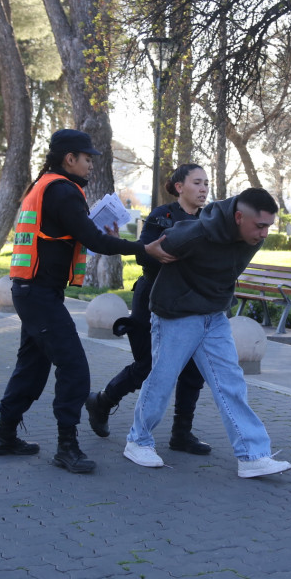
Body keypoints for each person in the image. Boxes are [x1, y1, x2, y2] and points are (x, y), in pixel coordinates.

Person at [0, 129, 173, 474]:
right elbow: (90, 239)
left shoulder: (43, 185)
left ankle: (4, 436)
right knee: (73, 368)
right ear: (69, 158)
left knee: (32, 366)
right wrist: (142, 249)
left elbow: (77, 235)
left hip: (32, 290)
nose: (90, 165)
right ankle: (66, 447)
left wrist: (105, 236)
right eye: (87, 158)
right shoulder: (62, 191)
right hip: (38, 294)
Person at [123, 187, 291, 479]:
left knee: (231, 383)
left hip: (213, 316)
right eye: (260, 226)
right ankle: (137, 441)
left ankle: (252, 455)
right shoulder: (197, 233)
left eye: (268, 226)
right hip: (176, 313)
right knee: (162, 380)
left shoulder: (251, 236)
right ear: (239, 217)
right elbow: (152, 251)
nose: (264, 234)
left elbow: (228, 270)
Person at [86, 165, 213, 455]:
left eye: (206, 183)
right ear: (180, 186)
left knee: (193, 369)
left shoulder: (209, 218)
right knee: (148, 366)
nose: (204, 188)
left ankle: (182, 433)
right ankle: (102, 401)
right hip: (153, 299)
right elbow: (148, 255)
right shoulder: (162, 216)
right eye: (197, 182)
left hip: (190, 301)